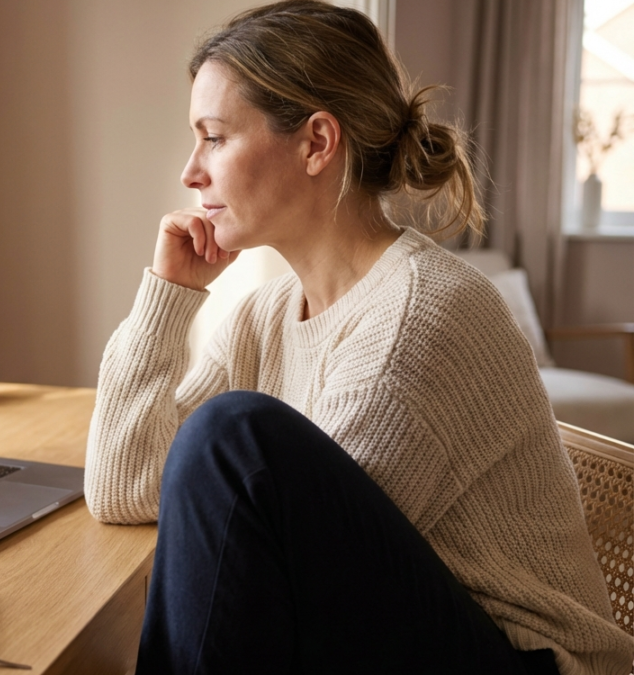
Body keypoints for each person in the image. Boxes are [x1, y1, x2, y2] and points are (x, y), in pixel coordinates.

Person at [84, 2, 634, 674]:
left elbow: (284, 579)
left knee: (230, 434)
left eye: (216, 137)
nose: (190, 172)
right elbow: (125, 486)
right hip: (410, 638)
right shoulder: (266, 314)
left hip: (522, 659)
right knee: (226, 441)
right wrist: (168, 298)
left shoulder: (421, 318)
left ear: (317, 142)